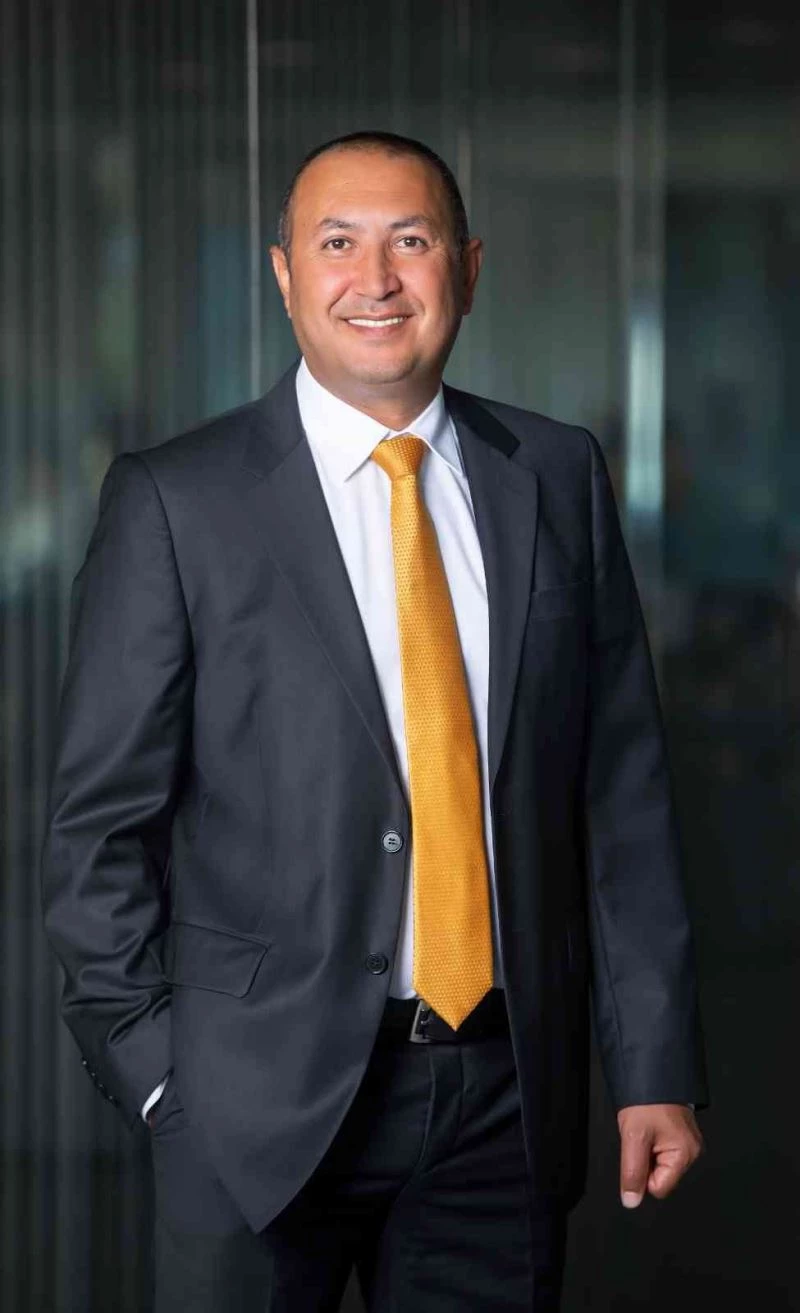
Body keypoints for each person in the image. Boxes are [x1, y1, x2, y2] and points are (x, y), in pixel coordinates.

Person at [40, 131, 708, 1312]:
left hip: (501, 1096)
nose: (376, 278)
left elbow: (618, 798)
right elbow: (98, 827)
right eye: (337, 243)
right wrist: (158, 1080)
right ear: (284, 274)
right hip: (247, 1105)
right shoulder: (178, 499)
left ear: (468, 266)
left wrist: (652, 1061)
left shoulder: (555, 474)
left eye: (410, 240)